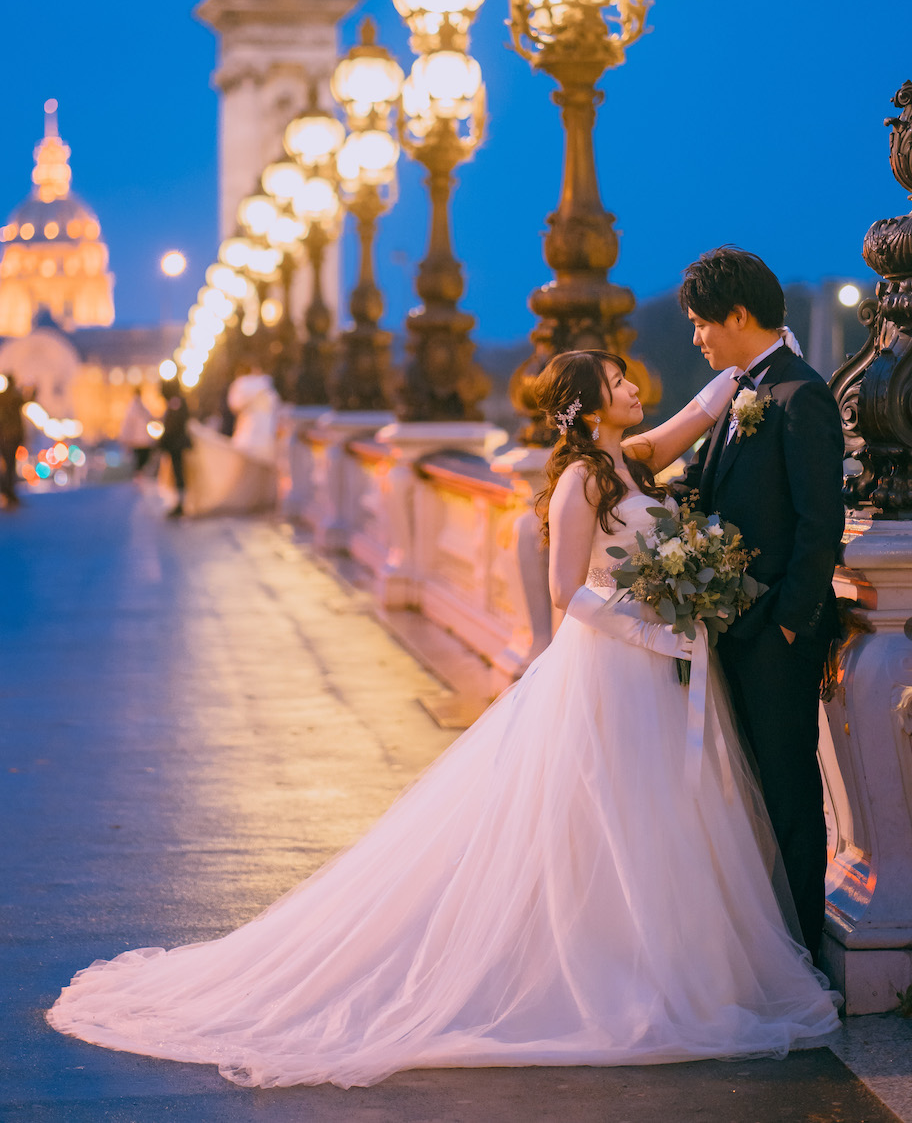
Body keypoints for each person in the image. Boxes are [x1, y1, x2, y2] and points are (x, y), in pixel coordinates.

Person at [47, 350, 838, 1087]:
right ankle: (610, 971)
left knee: (657, 820)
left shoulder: (627, 463)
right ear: (591, 405)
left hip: (652, 671)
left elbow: (697, 415)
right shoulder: (581, 486)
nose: (635, 388)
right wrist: (653, 627)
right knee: (603, 818)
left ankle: (664, 962)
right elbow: (568, 593)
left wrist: (751, 362)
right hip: (610, 669)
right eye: (619, 380)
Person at [673, 247, 845, 964]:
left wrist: (784, 623)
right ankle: (764, 945)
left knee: (790, 798)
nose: (696, 338)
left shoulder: (800, 395)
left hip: (774, 638)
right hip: (732, 633)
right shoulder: (742, 392)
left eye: (700, 323)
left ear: (738, 315)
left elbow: (819, 525)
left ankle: (803, 952)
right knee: (749, 800)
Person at [157, 378, 191, 518]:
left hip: (176, 444)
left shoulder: (176, 403)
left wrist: (163, 440)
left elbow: (173, 425)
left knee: (179, 474)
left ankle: (181, 504)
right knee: (177, 474)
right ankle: (179, 503)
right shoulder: (178, 402)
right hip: (175, 444)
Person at [0, 374, 27, 508]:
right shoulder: (15, 396)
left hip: (3, 436)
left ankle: (5, 491)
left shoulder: (0, 397)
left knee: (5, 465)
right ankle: (9, 492)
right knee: (10, 465)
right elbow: (26, 400)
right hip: (13, 435)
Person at [119, 387, 155, 476]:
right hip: (141, 440)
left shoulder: (135, 408)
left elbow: (127, 426)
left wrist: (125, 438)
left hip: (138, 441)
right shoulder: (140, 407)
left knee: (139, 462)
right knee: (141, 462)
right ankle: (139, 477)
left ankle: (139, 477)